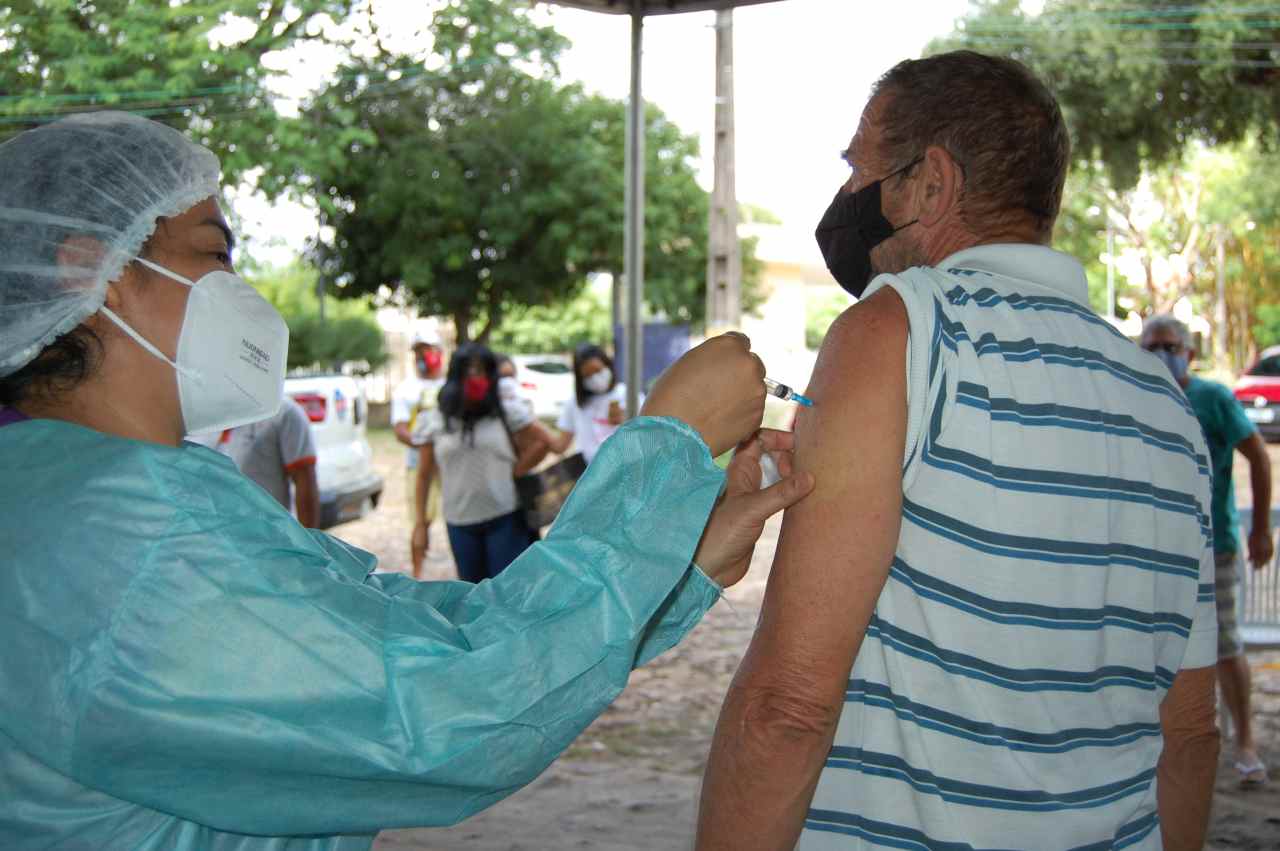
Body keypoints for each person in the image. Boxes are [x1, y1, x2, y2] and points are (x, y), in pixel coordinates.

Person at [0, 111, 815, 850]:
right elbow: (453, 707)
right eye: (213, 253)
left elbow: (419, 632)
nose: (239, 291)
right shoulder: (124, 538)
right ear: (86, 271)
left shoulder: (98, 489)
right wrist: (662, 443)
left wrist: (681, 563)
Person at [697, 51, 1219, 851]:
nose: (845, 198)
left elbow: (789, 707)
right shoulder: (1166, 406)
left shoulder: (899, 334)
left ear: (931, 185)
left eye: (857, 168)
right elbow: (1187, 733)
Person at [1143, 314, 1274, 787]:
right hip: (1149, 548)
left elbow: (1258, 455)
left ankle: (1244, 742)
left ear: (1190, 352)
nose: (1162, 354)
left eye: (1170, 345)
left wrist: (1261, 528)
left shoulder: (1213, 398)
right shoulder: (1135, 393)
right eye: (1152, 345)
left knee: (1224, 647)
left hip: (1211, 546)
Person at [413, 343, 546, 582]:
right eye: (469, 370)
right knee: (473, 596)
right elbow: (423, 475)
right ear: (456, 374)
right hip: (459, 522)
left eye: (482, 370)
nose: (476, 377)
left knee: (508, 594)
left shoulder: (505, 412)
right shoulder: (434, 421)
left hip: (505, 517)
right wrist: (420, 524)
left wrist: (517, 470)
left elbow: (543, 443)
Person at [195, 396, 322, 528]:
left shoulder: (283, 411)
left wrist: (308, 543)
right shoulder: (196, 416)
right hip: (213, 538)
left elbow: (305, 481)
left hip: (269, 537)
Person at [391, 330, 445, 577]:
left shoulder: (449, 385)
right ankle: (418, 574)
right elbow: (400, 430)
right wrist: (425, 446)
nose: (424, 356)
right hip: (418, 466)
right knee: (420, 520)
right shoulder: (406, 390)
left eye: (429, 350)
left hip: (450, 466)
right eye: (418, 351)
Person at [546, 343, 631, 463]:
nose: (595, 379)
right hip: (592, 474)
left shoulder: (627, 395)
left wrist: (627, 420)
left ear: (607, 365)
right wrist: (535, 429)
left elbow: (650, 437)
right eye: (588, 375)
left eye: (598, 371)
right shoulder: (574, 403)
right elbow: (561, 445)